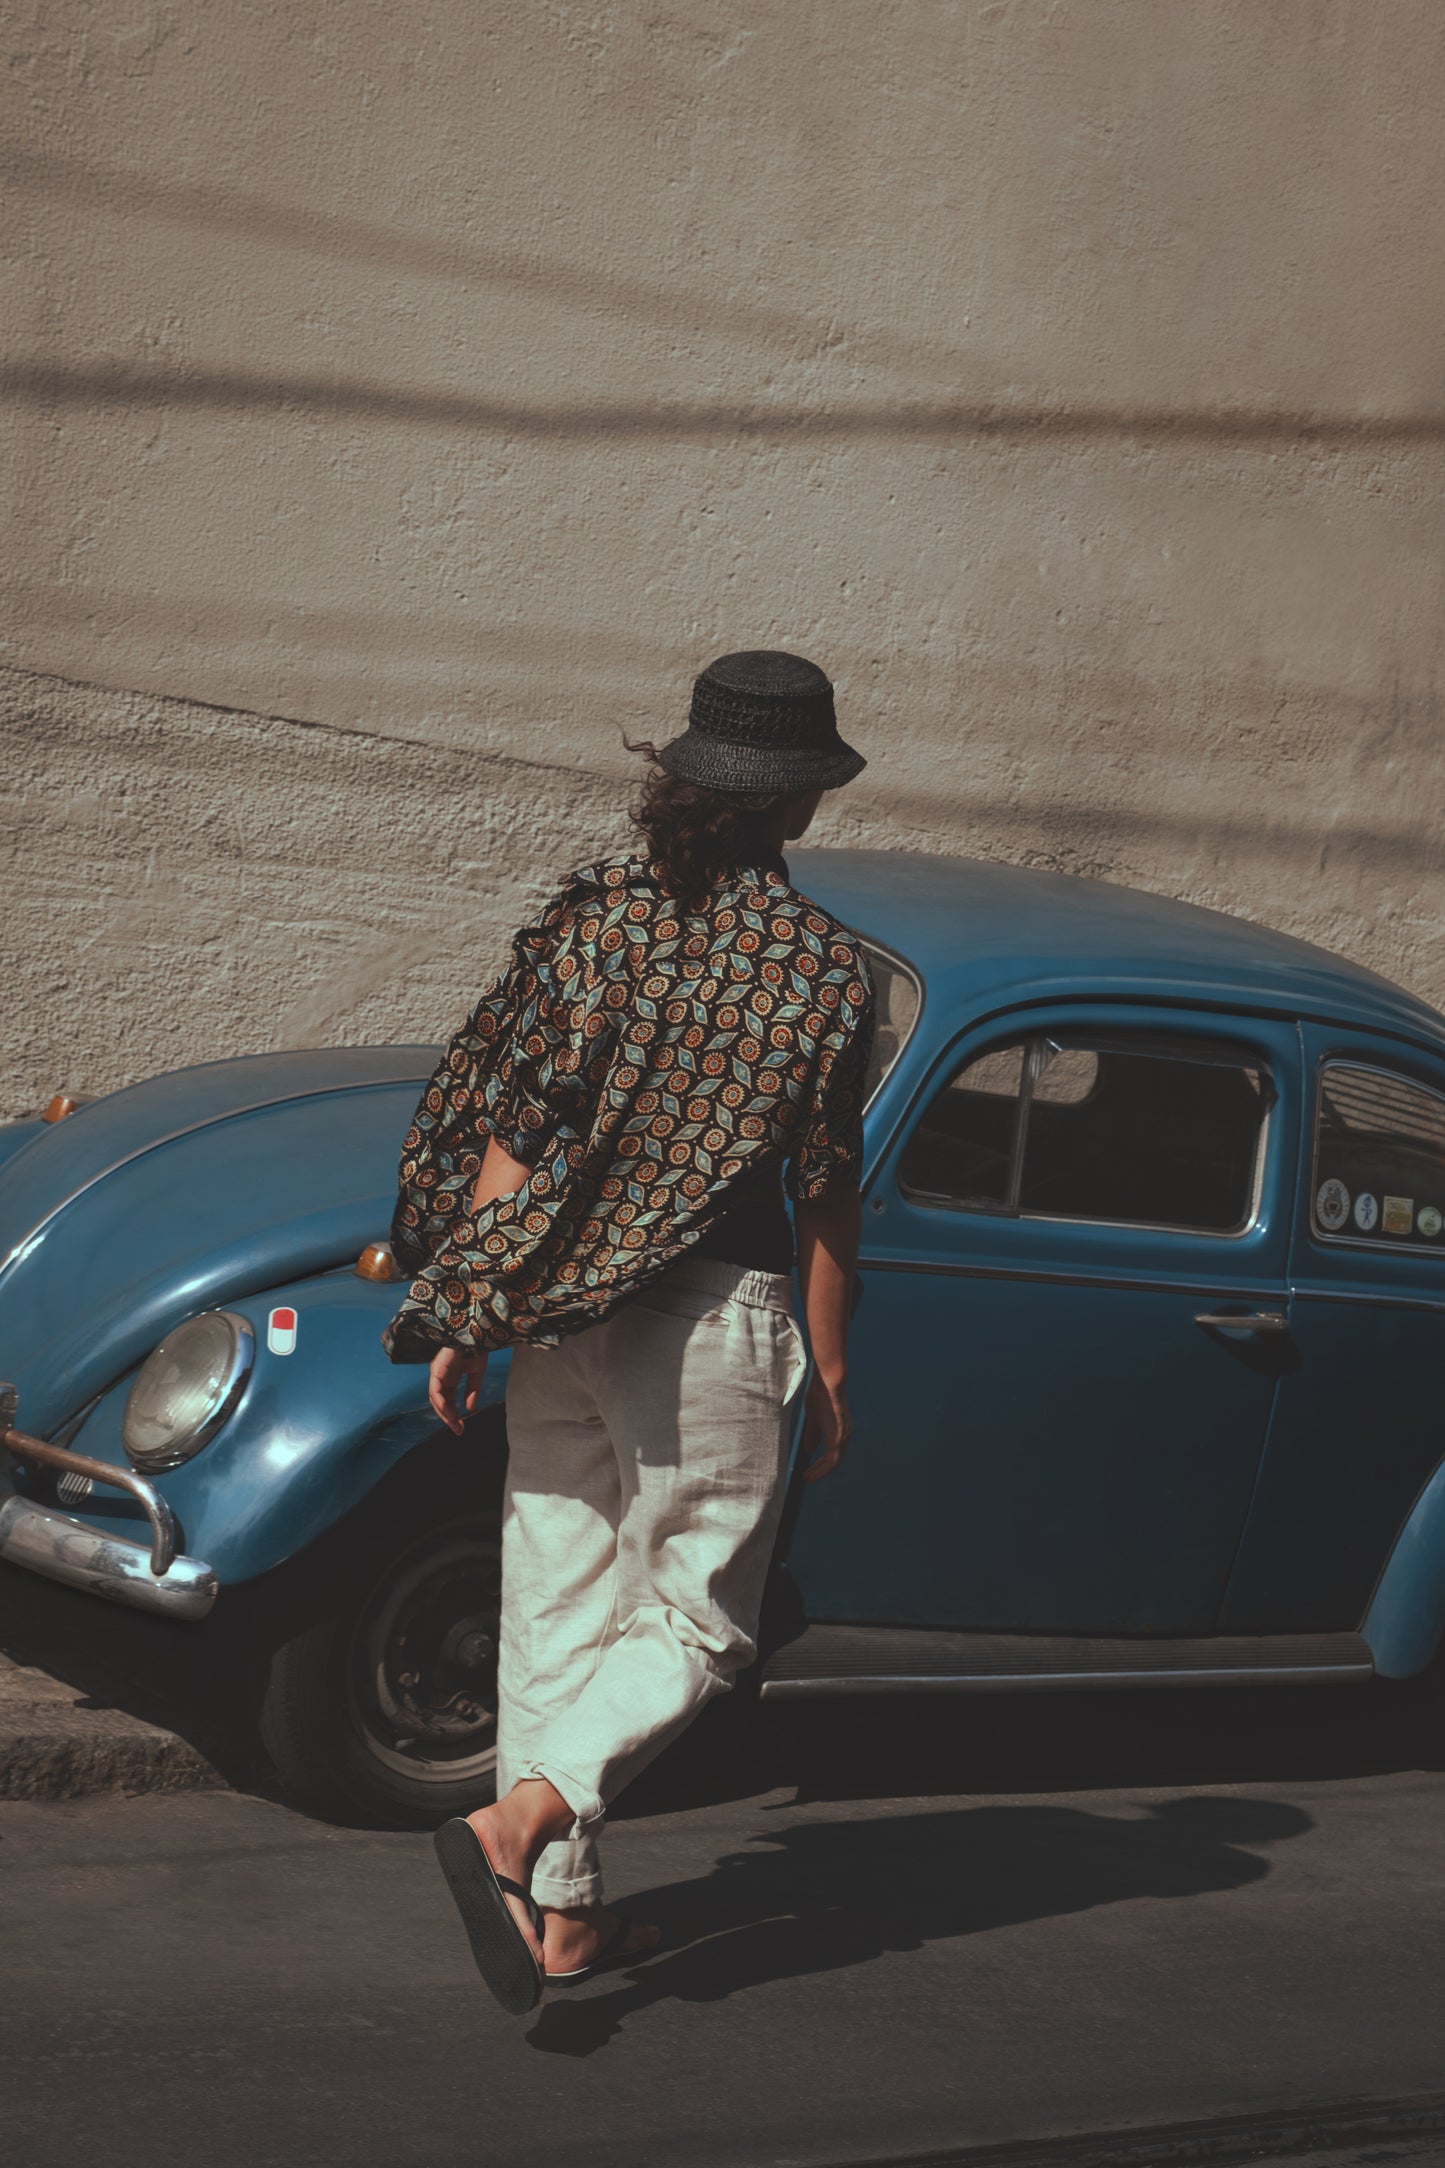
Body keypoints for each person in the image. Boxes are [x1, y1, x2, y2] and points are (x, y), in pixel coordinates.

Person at [382, 648, 874, 2014]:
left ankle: (566, 1923)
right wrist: (829, 1370)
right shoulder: (829, 974)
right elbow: (825, 1193)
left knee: (555, 1616)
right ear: (801, 804)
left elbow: (514, 1131)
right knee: (701, 1628)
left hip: (555, 1312)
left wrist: (468, 1306)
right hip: (713, 1321)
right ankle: (521, 1820)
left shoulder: (596, 920)